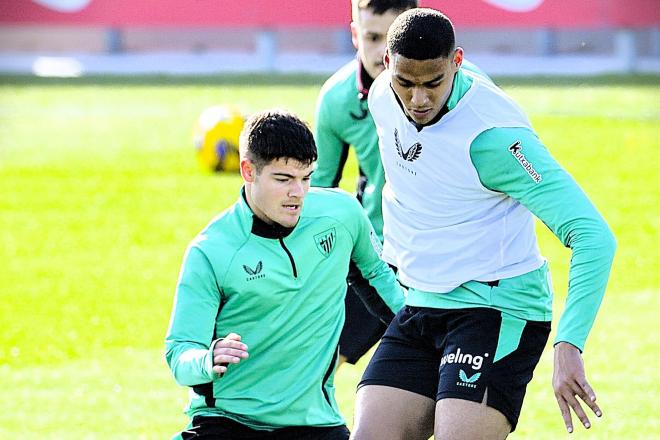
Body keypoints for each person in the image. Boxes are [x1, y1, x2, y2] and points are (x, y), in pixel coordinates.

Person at [351, 8, 616, 440]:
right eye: (407, 83)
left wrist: (570, 343)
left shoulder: (495, 139)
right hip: (420, 304)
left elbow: (593, 236)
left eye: (433, 83)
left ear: (457, 62)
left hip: (497, 309)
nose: (418, 99)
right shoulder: (381, 96)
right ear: (386, 65)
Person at [164, 109, 405, 440]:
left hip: (315, 424)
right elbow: (180, 353)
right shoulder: (211, 251)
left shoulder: (342, 215)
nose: (299, 193)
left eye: (306, 177)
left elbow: (380, 280)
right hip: (227, 422)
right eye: (283, 179)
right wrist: (208, 358)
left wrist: (424, 333)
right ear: (248, 171)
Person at [313, 0, 488, 367]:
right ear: (354, 34)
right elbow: (319, 191)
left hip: (446, 255)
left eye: (391, 37)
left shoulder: (463, 86)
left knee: (444, 372)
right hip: (375, 256)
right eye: (372, 37)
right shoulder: (336, 98)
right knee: (319, 366)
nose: (382, 51)